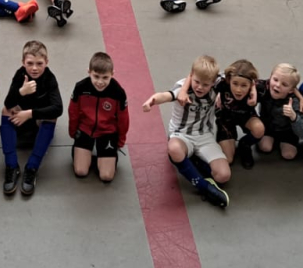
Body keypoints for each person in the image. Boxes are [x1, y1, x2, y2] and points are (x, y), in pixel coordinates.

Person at [140, 55, 230, 208]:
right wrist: (152, 101)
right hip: (181, 135)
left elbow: (237, 74)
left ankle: (189, 161)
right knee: (174, 148)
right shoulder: (182, 88)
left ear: (214, 82)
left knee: (224, 176)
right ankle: (204, 187)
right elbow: (166, 95)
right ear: (191, 76)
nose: (200, 87)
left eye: (205, 84)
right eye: (196, 82)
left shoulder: (218, 84)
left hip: (204, 136)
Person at [0, 40, 63, 198]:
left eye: (39, 63)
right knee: (6, 110)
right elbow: (8, 103)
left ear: (46, 62)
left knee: (52, 117)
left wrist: (29, 114)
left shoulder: (49, 79)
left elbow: (58, 108)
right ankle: (12, 165)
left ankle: (32, 167)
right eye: (30, 63)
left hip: (36, 120)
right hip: (20, 122)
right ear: (23, 63)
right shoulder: (20, 74)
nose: (34, 68)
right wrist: (21, 91)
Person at [68, 52, 129, 183]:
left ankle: (108, 157)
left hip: (107, 132)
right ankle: (85, 152)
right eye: (96, 76)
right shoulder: (80, 87)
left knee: (106, 176)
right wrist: (73, 131)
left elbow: (123, 119)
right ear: (89, 72)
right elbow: (73, 111)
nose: (100, 82)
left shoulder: (118, 92)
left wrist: (120, 140)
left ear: (112, 74)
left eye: (105, 77)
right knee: (81, 171)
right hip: (85, 130)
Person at [215, 59, 266, 170]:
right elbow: (202, 76)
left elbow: (282, 84)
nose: (238, 90)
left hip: (246, 117)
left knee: (259, 129)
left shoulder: (259, 87)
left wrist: (301, 99)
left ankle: (245, 145)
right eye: (235, 84)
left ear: (252, 83)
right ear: (229, 80)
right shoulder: (222, 82)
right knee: (228, 159)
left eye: (244, 85)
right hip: (226, 119)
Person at [255, 63, 303, 161]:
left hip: (287, 131)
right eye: (275, 80)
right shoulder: (264, 88)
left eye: (284, 84)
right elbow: (246, 81)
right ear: (270, 78)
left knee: (289, 155)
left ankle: (283, 142)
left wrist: (294, 116)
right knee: (265, 147)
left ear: (291, 90)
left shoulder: (295, 102)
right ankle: (271, 139)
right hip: (268, 127)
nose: (278, 85)